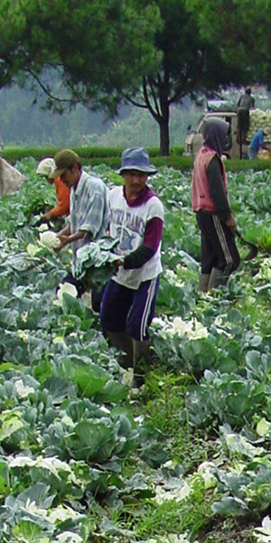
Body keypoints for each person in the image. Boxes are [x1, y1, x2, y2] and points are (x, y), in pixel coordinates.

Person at [99, 147, 163, 382]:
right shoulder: (114, 196)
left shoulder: (153, 206)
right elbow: (108, 227)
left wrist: (123, 260)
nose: (136, 180)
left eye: (141, 175)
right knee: (109, 319)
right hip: (119, 273)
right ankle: (130, 357)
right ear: (123, 174)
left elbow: (149, 247)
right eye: (131, 174)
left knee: (138, 325)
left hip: (144, 275)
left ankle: (142, 375)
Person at [191, 118, 240, 294]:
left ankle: (203, 295)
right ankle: (214, 296)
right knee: (229, 259)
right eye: (223, 135)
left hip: (201, 212)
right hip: (213, 213)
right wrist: (228, 217)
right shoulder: (212, 160)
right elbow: (217, 192)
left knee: (210, 257)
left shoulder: (200, 155)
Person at [53, 148, 110, 283]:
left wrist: (67, 240)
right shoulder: (74, 189)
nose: (61, 180)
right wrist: (58, 237)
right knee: (64, 292)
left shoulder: (94, 189)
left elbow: (88, 229)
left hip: (96, 260)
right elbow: (73, 222)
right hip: (81, 258)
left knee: (98, 301)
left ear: (74, 168)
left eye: (63, 175)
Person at [34, 157, 71, 227]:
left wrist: (50, 214)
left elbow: (65, 205)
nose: (46, 180)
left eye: (46, 177)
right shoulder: (58, 180)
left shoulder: (59, 180)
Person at [236, 86, 254, 153]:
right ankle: (244, 139)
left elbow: (238, 104)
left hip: (239, 110)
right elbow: (252, 107)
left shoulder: (241, 96)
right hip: (245, 111)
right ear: (250, 93)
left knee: (239, 126)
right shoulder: (251, 98)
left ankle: (238, 139)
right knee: (245, 127)